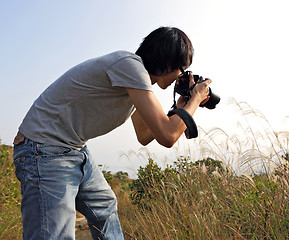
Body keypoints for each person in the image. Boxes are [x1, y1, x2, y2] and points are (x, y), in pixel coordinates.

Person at [12, 26, 211, 240]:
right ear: (167, 60)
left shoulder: (134, 82)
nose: (180, 76)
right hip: (44, 148)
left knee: (104, 206)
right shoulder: (129, 66)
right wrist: (196, 100)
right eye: (181, 68)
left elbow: (145, 135)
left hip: (73, 148)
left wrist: (179, 110)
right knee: (53, 235)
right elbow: (167, 136)